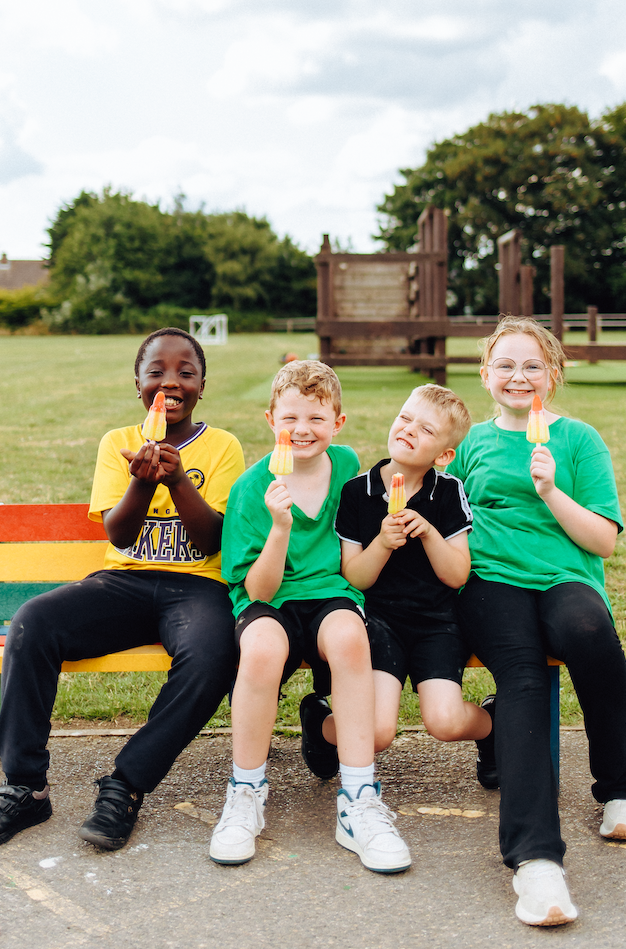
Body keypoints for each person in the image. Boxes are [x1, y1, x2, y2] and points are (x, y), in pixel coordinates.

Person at [0, 327, 244, 852]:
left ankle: (126, 784)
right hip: (125, 581)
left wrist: (178, 480)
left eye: (186, 372)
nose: (170, 383)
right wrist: (142, 477)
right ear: (137, 382)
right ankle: (25, 788)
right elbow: (120, 533)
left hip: (195, 588)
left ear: (204, 384)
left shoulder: (222, 446)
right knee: (33, 622)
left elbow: (210, 542)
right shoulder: (118, 442)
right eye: (156, 371)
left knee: (215, 652)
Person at [450, 316, 626, 927]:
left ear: (553, 376)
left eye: (532, 365)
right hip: (491, 581)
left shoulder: (578, 441)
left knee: (588, 632)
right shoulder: (470, 444)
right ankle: (536, 860)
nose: (519, 376)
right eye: (505, 365)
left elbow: (604, 540)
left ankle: (623, 785)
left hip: (566, 576)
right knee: (525, 678)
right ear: (486, 375)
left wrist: (550, 492)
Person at [209, 360, 411, 874]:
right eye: (291, 418)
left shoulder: (346, 466)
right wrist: (280, 527)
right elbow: (258, 588)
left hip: (329, 592)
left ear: (338, 423)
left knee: (348, 638)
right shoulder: (252, 488)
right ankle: (246, 791)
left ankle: (359, 798)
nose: (303, 430)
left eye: (317, 419)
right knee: (261, 650)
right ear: (270, 419)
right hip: (269, 599)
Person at [334, 384, 492, 768]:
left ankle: (496, 723)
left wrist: (428, 532)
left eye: (427, 430)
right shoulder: (357, 492)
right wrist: (383, 543)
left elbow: (457, 575)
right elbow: (355, 578)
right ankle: (320, 726)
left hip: (436, 622)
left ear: (444, 455)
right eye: (405, 418)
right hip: (378, 621)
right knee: (376, 732)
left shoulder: (449, 492)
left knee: (444, 721)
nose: (408, 430)